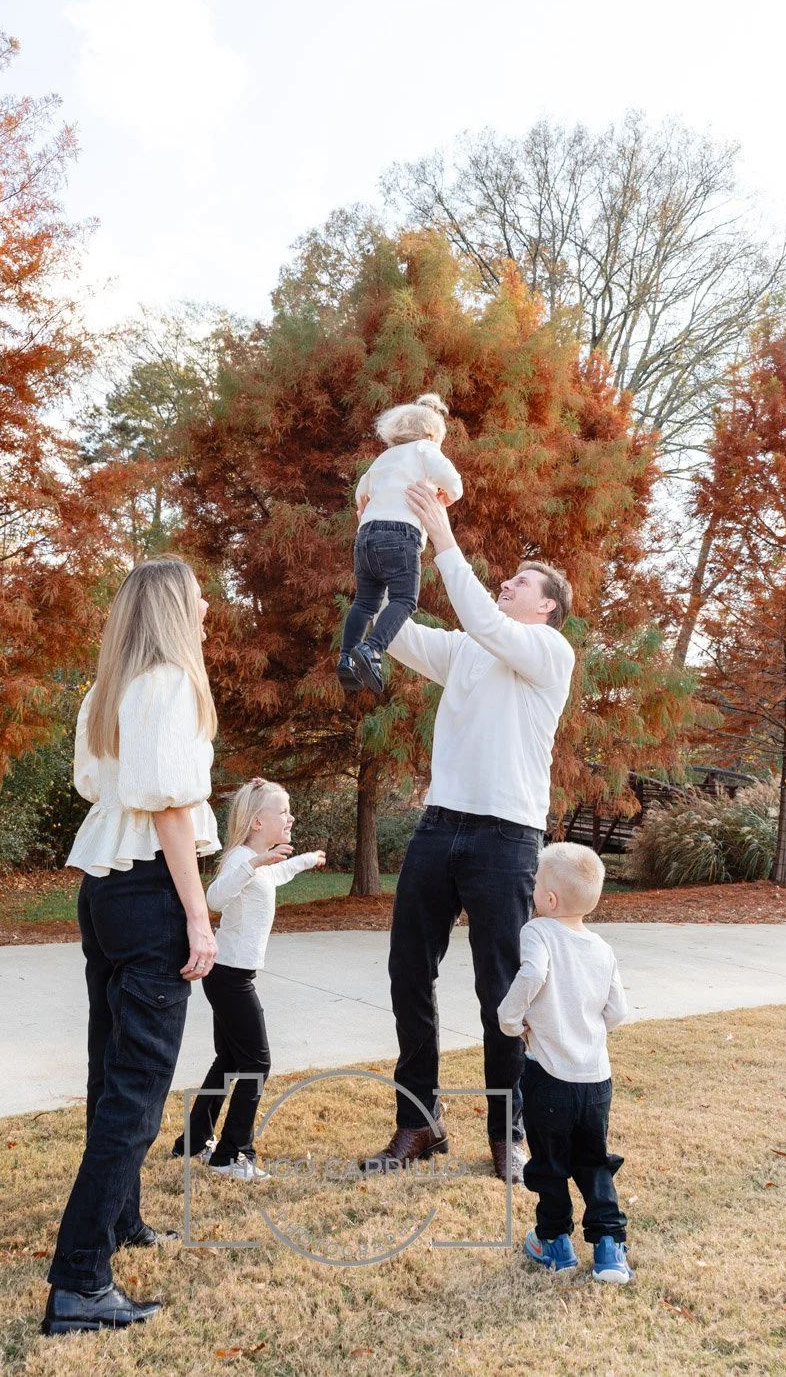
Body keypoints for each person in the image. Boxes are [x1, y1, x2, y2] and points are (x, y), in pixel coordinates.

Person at [359, 482, 575, 1183]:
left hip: (507, 836)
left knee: (500, 991)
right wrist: (375, 539)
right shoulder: (467, 651)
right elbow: (392, 629)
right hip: (440, 825)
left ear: (545, 606)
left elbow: (484, 620)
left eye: (519, 582)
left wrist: (445, 538)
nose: (506, 584)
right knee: (406, 974)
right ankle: (418, 1122)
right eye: (505, 580)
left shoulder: (548, 655)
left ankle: (506, 1134)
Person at [41, 555, 221, 1337]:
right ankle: (80, 1282)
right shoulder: (172, 685)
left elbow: (97, 787)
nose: (209, 604)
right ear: (176, 609)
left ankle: (121, 1220)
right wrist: (199, 915)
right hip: (147, 888)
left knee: (110, 1070)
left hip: (103, 891)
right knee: (138, 1094)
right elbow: (172, 811)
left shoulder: (108, 688)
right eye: (200, 596)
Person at [172, 778, 325, 1180]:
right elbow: (214, 897)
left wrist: (306, 859)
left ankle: (191, 1142)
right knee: (257, 1064)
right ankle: (230, 1156)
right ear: (257, 822)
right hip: (230, 978)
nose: (290, 816)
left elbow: (277, 876)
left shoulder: (262, 861)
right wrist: (256, 863)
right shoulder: (242, 858)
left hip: (232, 975)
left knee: (230, 1060)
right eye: (284, 811)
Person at [497, 843, 634, 1284]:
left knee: (550, 1164)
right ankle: (610, 1248)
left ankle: (554, 1243)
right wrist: (586, 1032)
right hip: (596, 1080)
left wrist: (509, 1018)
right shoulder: (602, 947)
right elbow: (618, 1012)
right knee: (593, 1160)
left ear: (550, 900)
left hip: (548, 1078)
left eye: (537, 884)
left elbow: (533, 975)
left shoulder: (538, 932)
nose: (532, 890)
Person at [338, 393, 463, 697]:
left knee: (364, 603)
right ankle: (372, 650)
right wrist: (450, 494)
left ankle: (346, 658)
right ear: (433, 434)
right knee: (405, 599)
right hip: (400, 534)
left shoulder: (383, 458)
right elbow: (452, 479)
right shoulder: (425, 449)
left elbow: (360, 492)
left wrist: (370, 507)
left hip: (366, 534)